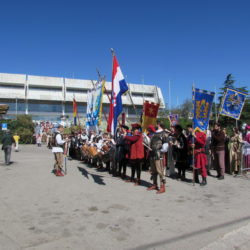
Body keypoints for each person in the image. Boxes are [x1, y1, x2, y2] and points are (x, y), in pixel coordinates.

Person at [147, 122, 169, 194]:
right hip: (152, 153)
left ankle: (162, 186)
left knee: (160, 171)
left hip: (158, 154)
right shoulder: (154, 133)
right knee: (153, 170)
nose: (155, 125)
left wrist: (160, 150)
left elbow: (165, 144)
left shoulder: (164, 133)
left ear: (159, 124)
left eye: (156, 124)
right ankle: (154, 184)